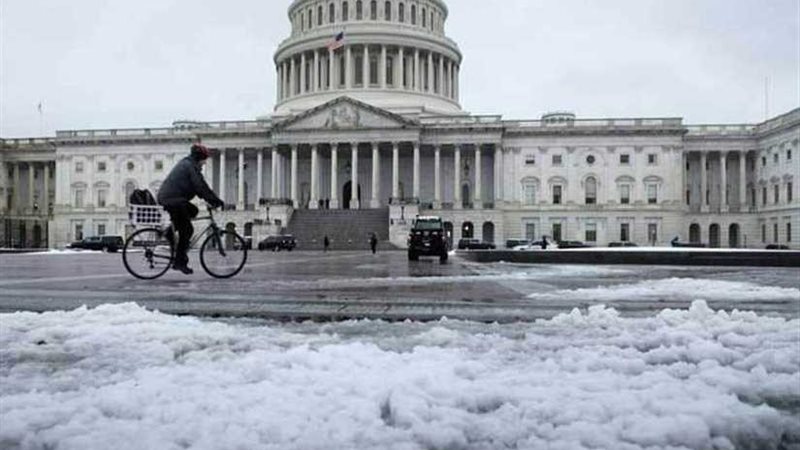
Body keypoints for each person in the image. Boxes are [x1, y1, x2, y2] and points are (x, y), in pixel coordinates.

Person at [157, 144, 225, 275]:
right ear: (199, 158)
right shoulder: (190, 166)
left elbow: (201, 186)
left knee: (193, 211)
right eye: (204, 159)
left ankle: (169, 234)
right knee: (187, 229)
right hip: (172, 199)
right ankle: (179, 262)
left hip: (173, 198)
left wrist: (211, 199)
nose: (204, 163)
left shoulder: (189, 165)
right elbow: (200, 187)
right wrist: (215, 201)